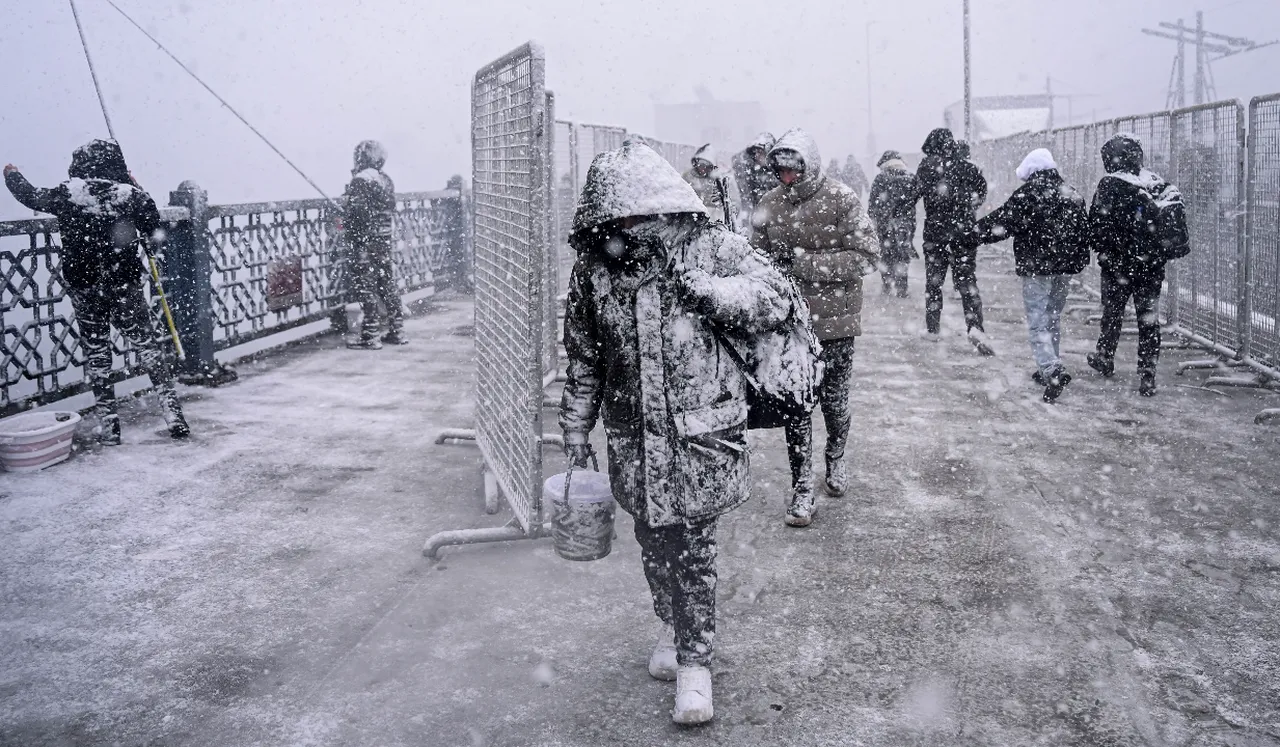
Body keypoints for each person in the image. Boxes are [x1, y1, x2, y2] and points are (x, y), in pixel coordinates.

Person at [560, 141, 790, 725]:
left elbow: (776, 298)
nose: (627, 231)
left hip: (699, 435)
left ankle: (695, 664)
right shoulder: (595, 270)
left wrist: (709, 291)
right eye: (616, 219)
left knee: (693, 549)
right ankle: (671, 622)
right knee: (652, 541)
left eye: (635, 216)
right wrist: (576, 426)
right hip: (634, 437)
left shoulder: (710, 247)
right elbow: (584, 356)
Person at [3, 140, 189, 444]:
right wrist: (135, 186)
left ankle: (110, 426)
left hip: (85, 288)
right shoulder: (130, 195)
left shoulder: (69, 193)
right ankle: (173, 415)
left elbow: (31, 196)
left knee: (98, 355)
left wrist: (12, 175)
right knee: (148, 349)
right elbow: (155, 232)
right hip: (125, 286)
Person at [751, 129, 880, 527]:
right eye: (781, 171)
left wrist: (803, 264)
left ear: (809, 165)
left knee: (834, 404)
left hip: (835, 324)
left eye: (794, 170)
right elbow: (753, 256)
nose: (787, 178)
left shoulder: (841, 199)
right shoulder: (769, 204)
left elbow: (867, 255)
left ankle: (835, 457)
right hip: (788, 327)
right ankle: (802, 486)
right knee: (797, 406)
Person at [975, 148, 1090, 403]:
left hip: (1036, 268)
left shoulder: (1027, 195)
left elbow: (1002, 223)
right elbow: (1084, 233)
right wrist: (1077, 263)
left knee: (1038, 320)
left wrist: (972, 234)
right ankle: (1049, 363)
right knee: (1053, 317)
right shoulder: (1072, 194)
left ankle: (1050, 368)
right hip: (1064, 268)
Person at [1087, 133, 1182, 397]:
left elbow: (1097, 225)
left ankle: (1105, 356)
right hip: (1150, 267)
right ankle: (1148, 372)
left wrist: (1106, 249)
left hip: (1118, 266)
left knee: (1112, 313)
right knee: (1148, 320)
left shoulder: (1109, 184)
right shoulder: (1156, 183)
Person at [915, 128, 993, 355]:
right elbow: (981, 192)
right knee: (967, 282)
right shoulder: (969, 168)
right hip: (964, 232)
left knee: (934, 283)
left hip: (936, 233)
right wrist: (966, 209)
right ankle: (976, 327)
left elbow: (914, 193)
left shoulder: (926, 167)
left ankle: (933, 329)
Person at [343, 140, 405, 349]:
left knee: (366, 287)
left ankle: (370, 335)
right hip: (384, 240)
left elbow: (358, 214)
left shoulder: (360, 180)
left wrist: (347, 213)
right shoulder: (386, 179)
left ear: (361, 157)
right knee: (387, 284)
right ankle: (397, 331)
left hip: (365, 242)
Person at [868, 150, 920, 298]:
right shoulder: (910, 178)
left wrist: (873, 219)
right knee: (903, 255)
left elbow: (873, 203)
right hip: (905, 224)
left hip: (884, 223)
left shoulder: (881, 178)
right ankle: (902, 288)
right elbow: (914, 200)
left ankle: (887, 285)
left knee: (886, 255)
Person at [682, 144, 737, 227]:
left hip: (716, 221)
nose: (703, 168)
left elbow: (734, 203)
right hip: (692, 221)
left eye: (707, 165)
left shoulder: (720, 180)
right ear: (696, 162)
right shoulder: (687, 177)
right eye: (701, 164)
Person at [732, 132, 780, 222]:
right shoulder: (748, 173)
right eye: (755, 152)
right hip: (754, 216)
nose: (757, 155)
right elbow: (744, 198)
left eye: (761, 152)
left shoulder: (779, 174)